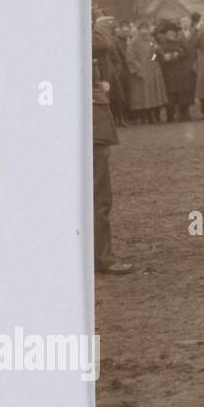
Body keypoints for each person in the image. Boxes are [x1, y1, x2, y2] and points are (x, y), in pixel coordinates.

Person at [92, 14, 133, 274]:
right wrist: (98, 27)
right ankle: (102, 257)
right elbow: (99, 45)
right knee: (99, 194)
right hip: (88, 121)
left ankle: (98, 255)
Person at [126, 24, 166, 124]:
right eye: (142, 29)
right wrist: (138, 69)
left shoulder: (151, 41)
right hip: (142, 71)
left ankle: (155, 116)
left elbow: (157, 55)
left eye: (146, 29)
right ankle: (145, 117)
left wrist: (154, 58)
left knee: (154, 95)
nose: (144, 32)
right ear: (139, 30)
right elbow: (130, 57)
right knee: (143, 96)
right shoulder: (134, 42)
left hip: (153, 71)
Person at [156, 19, 194, 122]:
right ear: (165, 34)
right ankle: (170, 115)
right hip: (168, 73)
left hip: (181, 73)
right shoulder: (161, 44)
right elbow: (157, 56)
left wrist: (177, 54)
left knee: (183, 94)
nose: (172, 34)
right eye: (169, 33)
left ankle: (184, 114)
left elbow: (187, 52)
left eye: (173, 32)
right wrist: (165, 57)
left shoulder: (181, 42)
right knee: (170, 95)